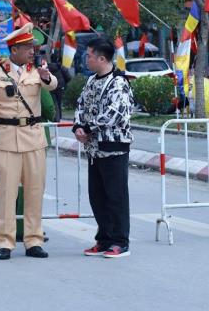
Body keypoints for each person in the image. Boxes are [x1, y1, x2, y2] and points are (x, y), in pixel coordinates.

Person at [0, 22, 57, 260]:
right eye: (27, 47)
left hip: (33, 138)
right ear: (14, 50)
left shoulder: (37, 70)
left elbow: (53, 85)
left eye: (33, 47)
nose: (32, 51)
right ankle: (5, 242)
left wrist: (46, 76)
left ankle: (34, 240)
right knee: (7, 193)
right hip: (6, 139)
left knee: (34, 192)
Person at [73, 36, 134, 258]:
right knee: (97, 196)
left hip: (114, 148)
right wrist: (78, 126)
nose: (86, 59)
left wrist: (88, 127)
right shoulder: (91, 80)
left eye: (89, 56)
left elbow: (114, 113)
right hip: (94, 149)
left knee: (116, 196)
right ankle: (104, 239)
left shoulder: (118, 83)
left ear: (101, 58)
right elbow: (81, 105)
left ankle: (120, 241)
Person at [47, 53, 72, 121]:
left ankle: (55, 117)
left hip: (51, 87)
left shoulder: (47, 67)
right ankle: (59, 118)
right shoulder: (60, 67)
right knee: (59, 103)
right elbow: (68, 77)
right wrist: (64, 84)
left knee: (53, 103)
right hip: (60, 87)